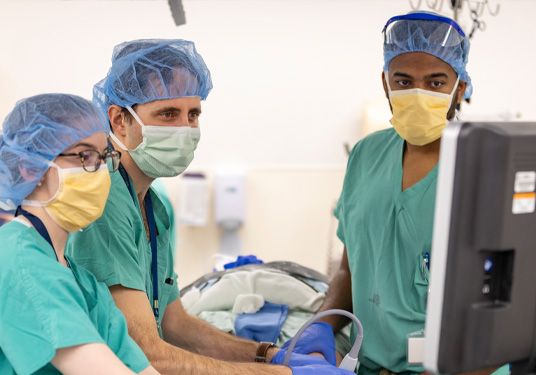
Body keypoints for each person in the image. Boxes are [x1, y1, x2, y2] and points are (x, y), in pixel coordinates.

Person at [66, 39, 354, 375]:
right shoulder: (104, 202)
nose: (185, 129)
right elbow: (147, 353)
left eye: (193, 114)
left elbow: (174, 325)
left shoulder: (152, 207)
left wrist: (270, 353)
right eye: (167, 114)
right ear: (118, 120)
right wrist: (284, 373)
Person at [277, 11, 509, 375]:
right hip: (369, 366)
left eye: (435, 83)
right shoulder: (366, 155)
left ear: (459, 88)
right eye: (404, 81)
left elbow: (510, 304)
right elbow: (350, 269)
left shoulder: (487, 166)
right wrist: (322, 324)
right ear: (386, 84)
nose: (417, 94)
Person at [0, 93, 160, 375]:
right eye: (84, 155)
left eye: (103, 156)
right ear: (28, 168)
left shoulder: (84, 282)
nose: (98, 170)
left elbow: (140, 369)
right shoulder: (17, 259)